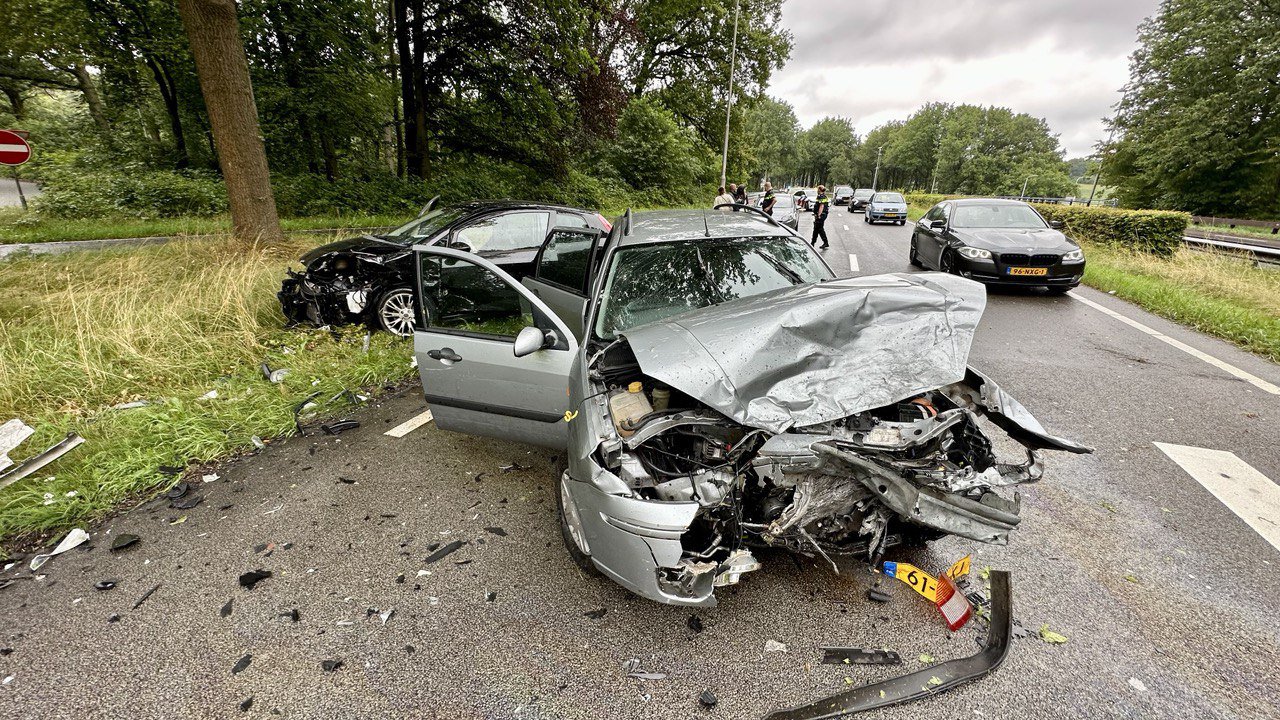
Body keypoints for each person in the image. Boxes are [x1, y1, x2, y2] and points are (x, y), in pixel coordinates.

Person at [811, 184, 830, 249]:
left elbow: (821, 206)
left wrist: (818, 215)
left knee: (819, 228)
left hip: (821, 215)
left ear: (819, 190)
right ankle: (813, 243)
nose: (817, 190)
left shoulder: (821, 196)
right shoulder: (823, 196)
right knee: (817, 228)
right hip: (822, 214)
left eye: (818, 189)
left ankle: (824, 242)